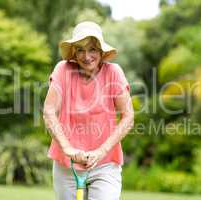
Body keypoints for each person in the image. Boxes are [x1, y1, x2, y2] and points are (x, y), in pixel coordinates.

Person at [43, 21, 134, 200]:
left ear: (101, 52)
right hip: (67, 163)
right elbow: (49, 111)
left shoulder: (113, 72)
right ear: (74, 53)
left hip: (105, 164)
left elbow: (128, 116)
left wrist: (101, 151)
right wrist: (68, 148)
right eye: (80, 50)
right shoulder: (63, 70)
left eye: (92, 49)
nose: (86, 56)